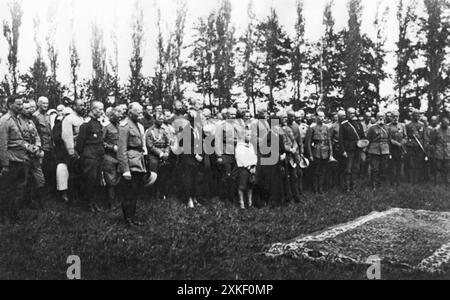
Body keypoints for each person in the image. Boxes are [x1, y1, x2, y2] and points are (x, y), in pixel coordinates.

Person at [118, 102, 147, 227]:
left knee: (135, 192)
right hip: (130, 163)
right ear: (130, 113)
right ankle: (127, 219)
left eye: (141, 111)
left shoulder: (138, 125)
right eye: (138, 112)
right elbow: (121, 149)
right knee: (128, 193)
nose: (141, 114)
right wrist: (125, 169)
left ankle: (132, 217)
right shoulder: (125, 126)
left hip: (138, 161)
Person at [0, 95, 28, 223]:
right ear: (10, 105)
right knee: (8, 189)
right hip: (11, 161)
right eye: (18, 104)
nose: (21, 107)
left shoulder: (19, 120)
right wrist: (5, 165)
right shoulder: (5, 120)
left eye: (22, 104)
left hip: (21, 159)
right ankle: (6, 217)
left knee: (20, 189)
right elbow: (2, 144)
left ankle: (15, 215)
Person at [75, 101, 105, 212]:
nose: (102, 112)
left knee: (96, 181)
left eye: (102, 109)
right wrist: (85, 155)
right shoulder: (86, 124)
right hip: (90, 157)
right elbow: (80, 143)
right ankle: (88, 204)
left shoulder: (98, 123)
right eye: (99, 109)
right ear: (92, 109)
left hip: (98, 156)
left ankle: (94, 203)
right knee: (89, 181)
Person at [62, 99, 86, 202]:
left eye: (84, 105)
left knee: (81, 173)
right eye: (80, 105)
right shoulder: (69, 119)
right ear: (74, 106)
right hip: (74, 150)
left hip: (83, 150)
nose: (83, 107)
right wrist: (71, 152)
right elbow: (67, 136)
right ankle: (72, 197)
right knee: (73, 174)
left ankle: (80, 196)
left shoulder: (82, 119)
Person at [339, 107, 366, 192]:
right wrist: (343, 151)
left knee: (356, 168)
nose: (352, 115)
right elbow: (341, 139)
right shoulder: (344, 125)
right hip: (348, 149)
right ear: (347, 114)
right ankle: (347, 188)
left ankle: (353, 187)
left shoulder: (358, 124)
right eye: (350, 113)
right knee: (348, 169)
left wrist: (363, 145)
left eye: (353, 113)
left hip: (357, 149)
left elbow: (362, 137)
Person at [33, 96, 55, 196]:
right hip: (41, 148)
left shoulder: (47, 115)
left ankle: (49, 191)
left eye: (47, 103)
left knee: (49, 169)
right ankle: (42, 193)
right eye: (43, 103)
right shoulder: (35, 116)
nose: (46, 105)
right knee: (42, 170)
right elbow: (34, 133)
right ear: (38, 104)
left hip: (49, 146)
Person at [306, 111, 333, 194]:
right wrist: (310, 154)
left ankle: (320, 188)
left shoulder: (326, 128)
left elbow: (329, 141)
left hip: (325, 152)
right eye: (320, 117)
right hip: (316, 152)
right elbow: (308, 142)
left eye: (323, 117)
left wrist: (331, 153)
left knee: (323, 171)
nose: (322, 118)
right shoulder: (312, 128)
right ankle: (315, 189)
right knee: (316, 171)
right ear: (316, 118)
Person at [146, 113, 170, 201]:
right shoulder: (150, 131)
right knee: (154, 174)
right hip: (154, 155)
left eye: (162, 119)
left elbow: (168, 143)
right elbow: (150, 146)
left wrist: (166, 152)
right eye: (159, 119)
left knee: (164, 175)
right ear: (154, 119)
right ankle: (154, 194)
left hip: (164, 155)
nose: (161, 120)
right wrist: (160, 154)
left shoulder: (164, 130)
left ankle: (163, 193)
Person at [102, 107, 123, 210]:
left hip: (119, 158)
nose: (119, 119)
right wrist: (112, 147)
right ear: (111, 117)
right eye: (117, 117)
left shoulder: (121, 127)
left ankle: (116, 201)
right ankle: (111, 204)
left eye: (120, 117)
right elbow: (101, 142)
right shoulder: (106, 127)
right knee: (111, 181)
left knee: (118, 180)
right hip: (109, 157)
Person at [367, 112, 390, 189]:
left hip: (385, 150)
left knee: (383, 168)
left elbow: (389, 140)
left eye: (382, 116)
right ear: (376, 118)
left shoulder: (387, 128)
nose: (381, 118)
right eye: (379, 117)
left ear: (385, 118)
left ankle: (381, 185)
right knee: (375, 168)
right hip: (374, 150)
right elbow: (368, 139)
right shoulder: (372, 128)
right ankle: (374, 185)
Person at [235, 130, 257, 209]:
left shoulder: (251, 145)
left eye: (250, 135)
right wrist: (248, 167)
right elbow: (240, 158)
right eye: (247, 135)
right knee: (242, 186)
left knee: (250, 185)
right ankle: (242, 203)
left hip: (251, 167)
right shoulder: (240, 146)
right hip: (243, 168)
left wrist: (254, 165)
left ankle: (250, 202)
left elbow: (254, 156)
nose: (249, 136)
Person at [405, 110, 426, 184]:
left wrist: (424, 145)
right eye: (416, 115)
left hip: (419, 146)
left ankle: (417, 179)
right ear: (413, 116)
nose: (418, 116)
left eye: (419, 115)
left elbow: (424, 136)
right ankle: (411, 180)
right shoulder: (408, 125)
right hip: (411, 146)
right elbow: (406, 136)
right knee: (411, 163)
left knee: (419, 163)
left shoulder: (422, 124)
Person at [387, 111, 407, 186]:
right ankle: (392, 182)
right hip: (392, 149)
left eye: (397, 116)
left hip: (400, 149)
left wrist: (402, 142)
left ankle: (398, 182)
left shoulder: (402, 125)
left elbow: (405, 137)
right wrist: (396, 143)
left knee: (399, 166)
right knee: (392, 166)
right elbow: (389, 138)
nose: (395, 118)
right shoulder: (388, 126)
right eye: (394, 116)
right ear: (391, 117)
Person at [429, 116, 450, 184]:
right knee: (438, 167)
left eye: (447, 124)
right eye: (444, 124)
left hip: (447, 151)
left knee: (447, 167)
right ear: (441, 123)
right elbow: (432, 141)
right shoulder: (436, 130)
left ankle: (446, 181)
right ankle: (437, 182)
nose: (446, 125)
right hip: (438, 151)